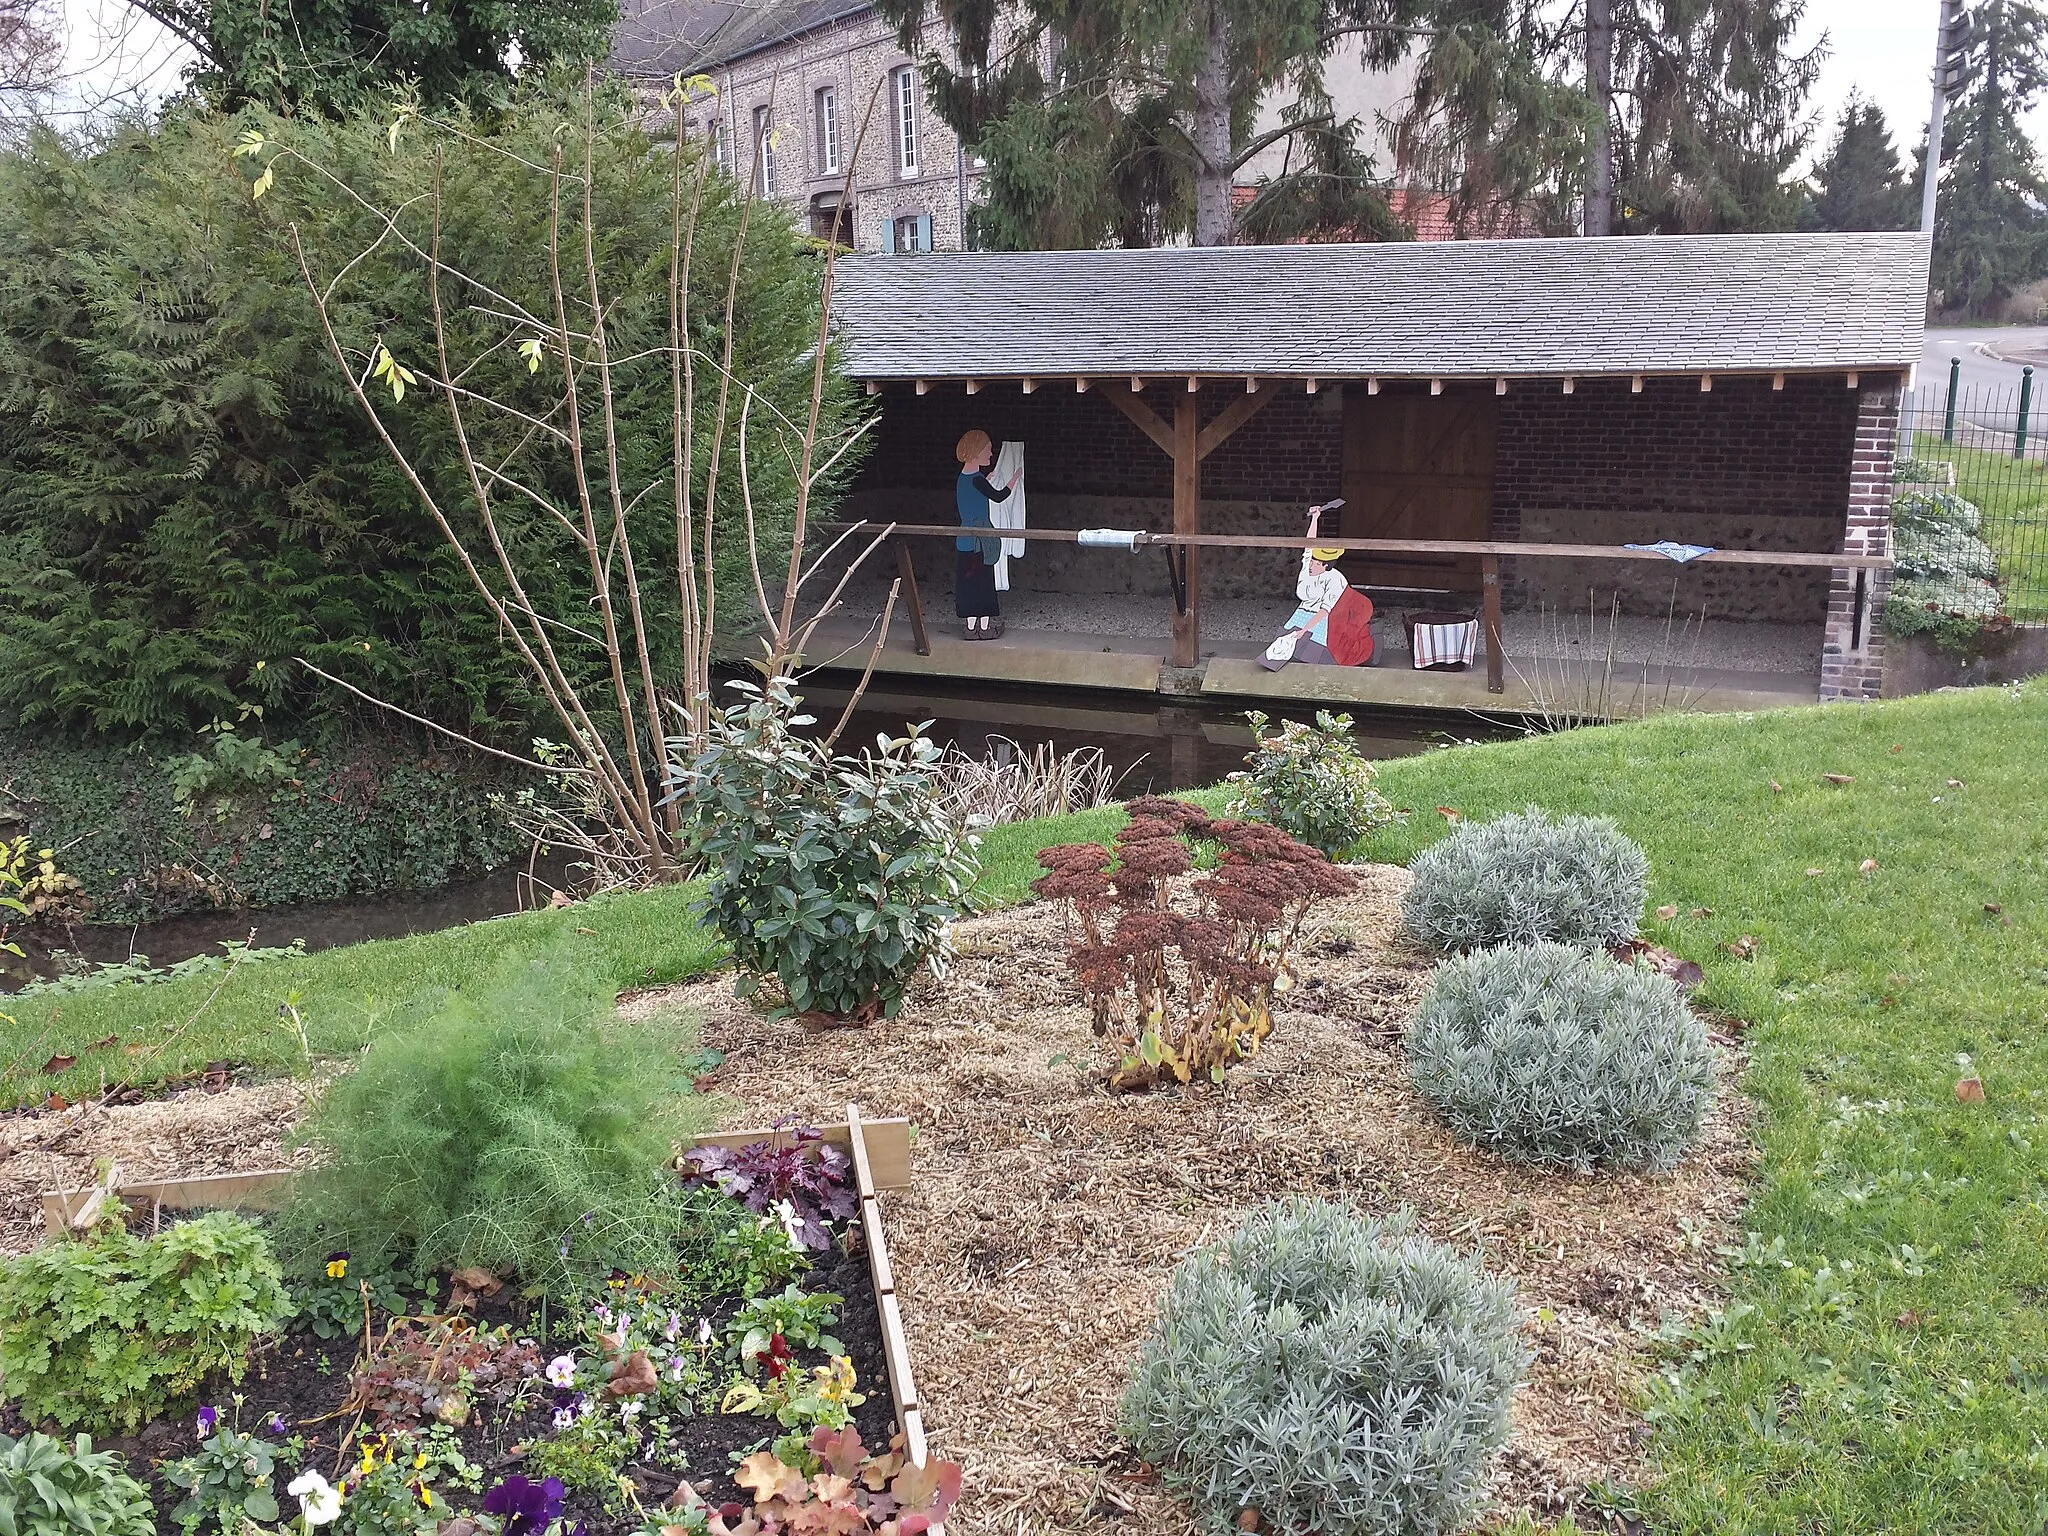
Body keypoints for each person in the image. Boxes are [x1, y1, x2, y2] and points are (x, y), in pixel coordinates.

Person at [1262, 503, 1374, 670]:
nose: (1310, 565)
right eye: (1311, 561)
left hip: (1322, 618)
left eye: (1315, 563)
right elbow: (1310, 544)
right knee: (1281, 643)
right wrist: (1315, 518)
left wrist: (1304, 629)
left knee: (1313, 650)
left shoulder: (1335, 580)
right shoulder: (1308, 566)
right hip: (1302, 611)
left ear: (1325, 565)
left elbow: (1324, 611)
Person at [954, 430, 1018, 638]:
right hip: (980, 542)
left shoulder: (964, 478)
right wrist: (1014, 479)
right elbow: (998, 497)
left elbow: (976, 491)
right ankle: (984, 628)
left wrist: (987, 479)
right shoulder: (978, 480)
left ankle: (970, 628)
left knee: (969, 582)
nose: (991, 455)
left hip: (965, 539)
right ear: (976, 451)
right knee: (982, 583)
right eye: (988, 450)